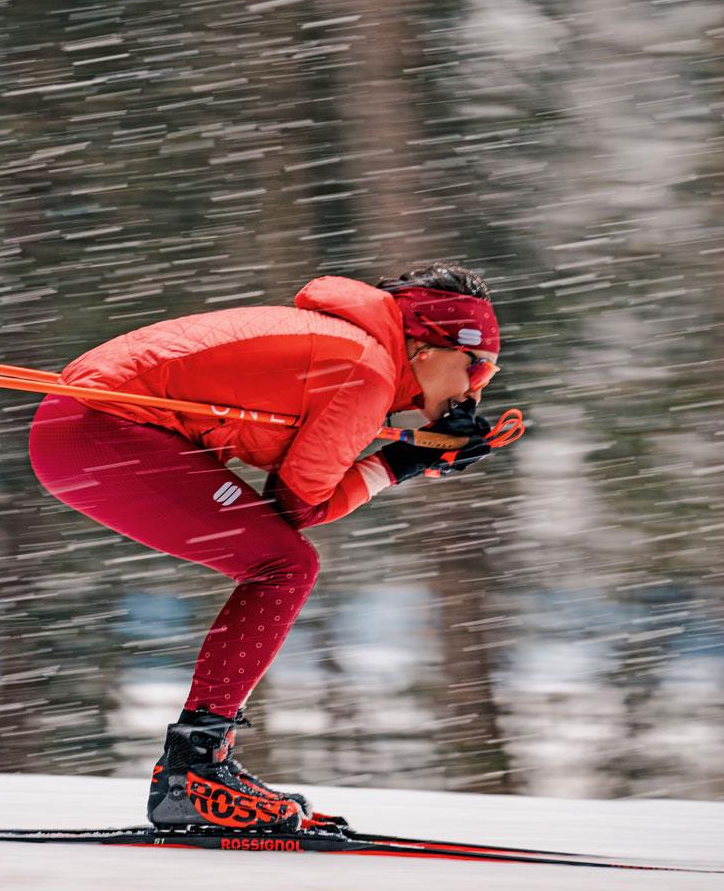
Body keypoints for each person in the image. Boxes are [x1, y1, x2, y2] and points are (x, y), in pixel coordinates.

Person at [26, 261, 502, 832]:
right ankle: (194, 771)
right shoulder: (366, 368)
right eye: (476, 365)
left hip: (85, 423)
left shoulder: (352, 349)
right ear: (426, 347)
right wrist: (395, 466)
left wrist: (403, 455)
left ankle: (196, 765)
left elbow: (285, 500)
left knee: (280, 560)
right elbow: (301, 508)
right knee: (285, 565)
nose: (477, 387)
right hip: (101, 430)